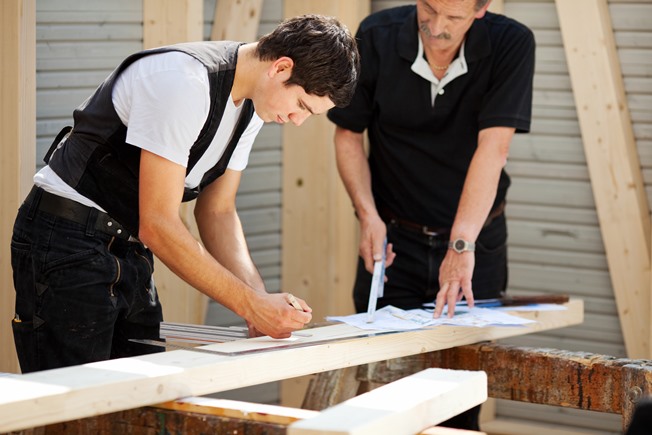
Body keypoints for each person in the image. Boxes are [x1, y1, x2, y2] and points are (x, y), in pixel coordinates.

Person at [11, 14, 360, 373]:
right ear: (281, 68)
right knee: (73, 412)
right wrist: (249, 305)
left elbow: (218, 211)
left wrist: (260, 299)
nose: (298, 120)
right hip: (66, 239)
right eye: (302, 105)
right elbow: (159, 224)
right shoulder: (184, 81)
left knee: (137, 400)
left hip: (128, 248)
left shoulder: (253, 109)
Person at [327, 0, 534, 430]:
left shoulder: (512, 43)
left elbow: (494, 148)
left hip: (475, 243)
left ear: (482, 9)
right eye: (428, 8)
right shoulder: (376, 35)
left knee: (458, 396)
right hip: (393, 241)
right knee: (382, 392)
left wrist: (461, 245)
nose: (436, 26)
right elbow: (348, 133)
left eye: (454, 18)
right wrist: (367, 215)